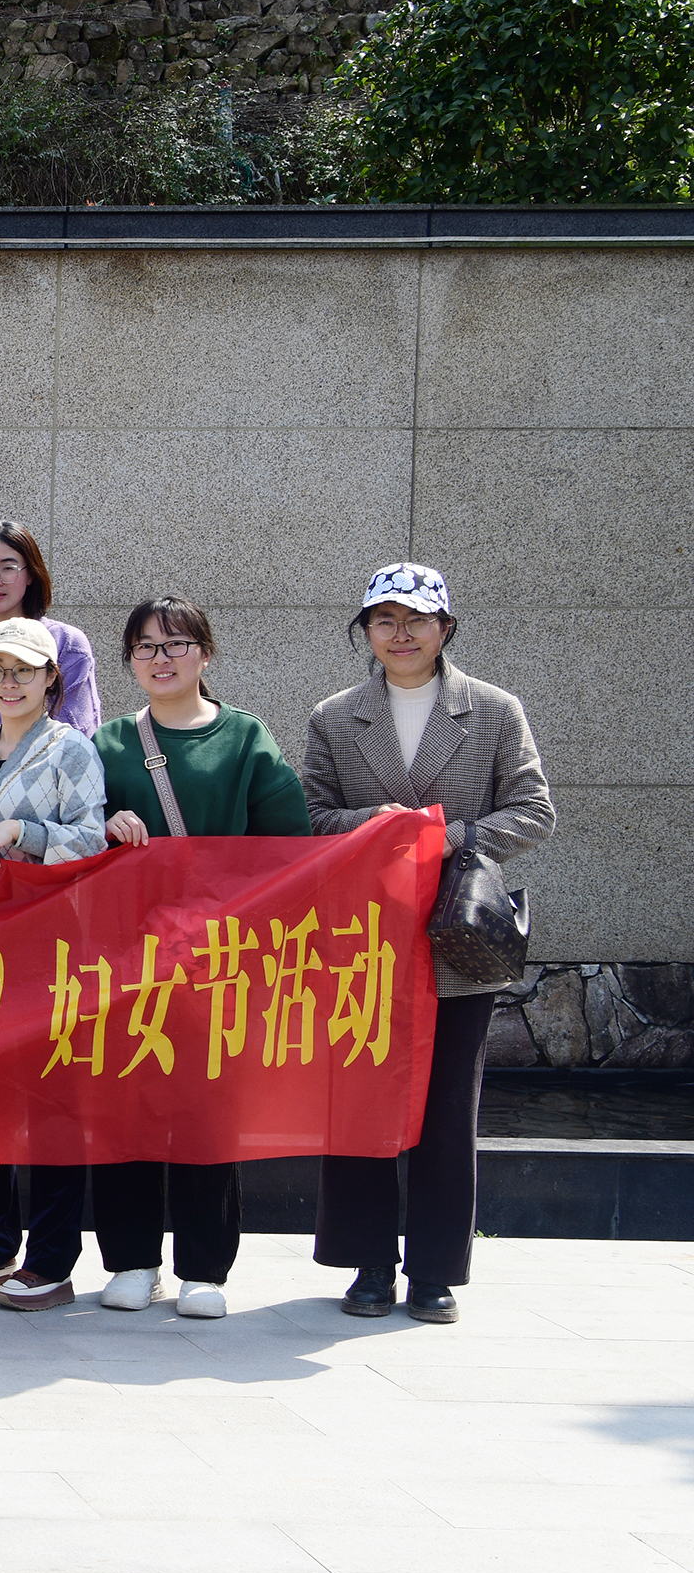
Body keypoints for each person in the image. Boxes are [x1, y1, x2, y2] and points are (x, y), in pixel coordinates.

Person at [304, 564, 553, 1327]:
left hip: (458, 941)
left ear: (446, 628)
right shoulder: (335, 716)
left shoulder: (494, 710)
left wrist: (452, 835)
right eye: (384, 619)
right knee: (363, 1104)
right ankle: (369, 1262)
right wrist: (374, 826)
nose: (401, 633)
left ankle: (435, 1270)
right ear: (365, 631)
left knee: (448, 1110)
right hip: (366, 945)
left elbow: (534, 810)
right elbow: (310, 813)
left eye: (417, 618)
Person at [93, 595, 312, 1320]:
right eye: (146, 647)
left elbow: (288, 848)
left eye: (176, 644)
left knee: (207, 1113)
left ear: (205, 653)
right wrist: (104, 823)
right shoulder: (109, 743)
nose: (161, 658)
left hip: (218, 962)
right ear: (130, 661)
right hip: (125, 964)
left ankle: (203, 1267)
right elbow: (71, 830)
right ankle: (131, 1260)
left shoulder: (245, 738)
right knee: (125, 1106)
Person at [0, 617, 108, 1312]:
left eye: (24, 671)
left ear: (50, 679)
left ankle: (52, 1260)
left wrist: (23, 832)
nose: (9, 683)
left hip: (51, 947)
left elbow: (91, 842)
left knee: (52, 1103)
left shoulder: (72, 749)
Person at [0, 521, 99, 747]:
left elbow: (79, 738)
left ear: (31, 574)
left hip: (50, 769)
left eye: (8, 568)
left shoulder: (66, 643)